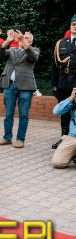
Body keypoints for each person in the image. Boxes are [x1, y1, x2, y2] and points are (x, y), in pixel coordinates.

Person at [0, 30, 39, 148]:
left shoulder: (34, 51)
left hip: (26, 87)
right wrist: (8, 40)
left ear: (31, 41)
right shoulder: (12, 50)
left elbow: (33, 56)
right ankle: (7, 137)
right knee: (8, 114)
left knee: (23, 114)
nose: (23, 38)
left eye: (27, 37)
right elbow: (0, 52)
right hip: (9, 85)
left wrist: (22, 40)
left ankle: (20, 139)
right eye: (22, 37)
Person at [51, 15, 76, 149]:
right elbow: (54, 65)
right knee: (64, 112)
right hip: (63, 83)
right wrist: (54, 85)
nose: (75, 26)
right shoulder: (61, 43)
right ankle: (64, 139)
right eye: (73, 24)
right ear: (70, 27)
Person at [52, 88, 76, 169]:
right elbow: (56, 111)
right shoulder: (72, 102)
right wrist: (71, 98)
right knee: (57, 162)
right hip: (72, 138)